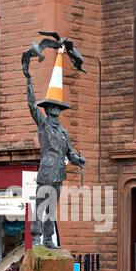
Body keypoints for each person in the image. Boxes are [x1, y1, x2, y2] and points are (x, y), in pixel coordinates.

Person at [23, 48, 85, 249]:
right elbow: (32, 105)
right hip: (47, 171)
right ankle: (36, 238)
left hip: (59, 173)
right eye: (52, 106)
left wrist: (78, 159)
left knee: (51, 208)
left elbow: (70, 153)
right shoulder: (43, 124)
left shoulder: (64, 132)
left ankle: (49, 239)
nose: (56, 110)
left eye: (58, 107)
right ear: (48, 109)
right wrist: (29, 81)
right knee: (40, 206)